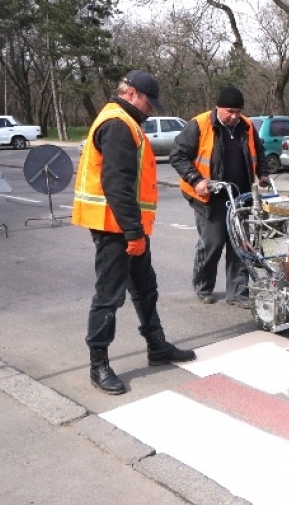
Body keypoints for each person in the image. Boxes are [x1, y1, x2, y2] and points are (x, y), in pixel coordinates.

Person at [72, 69, 196, 395]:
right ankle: (98, 365)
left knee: (145, 287)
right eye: (148, 101)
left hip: (127, 226)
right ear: (131, 94)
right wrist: (133, 233)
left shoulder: (126, 122)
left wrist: (135, 230)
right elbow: (117, 186)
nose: (151, 108)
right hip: (115, 228)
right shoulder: (117, 125)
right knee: (109, 297)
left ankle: (157, 346)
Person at [169, 85, 270, 307]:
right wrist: (196, 180)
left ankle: (238, 292)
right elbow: (177, 155)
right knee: (213, 243)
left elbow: (259, 152)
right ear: (218, 108)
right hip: (210, 197)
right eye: (230, 111)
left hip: (240, 197)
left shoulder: (247, 126)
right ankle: (204, 286)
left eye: (238, 111)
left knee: (240, 245)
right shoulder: (199, 124)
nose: (234, 116)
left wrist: (263, 173)